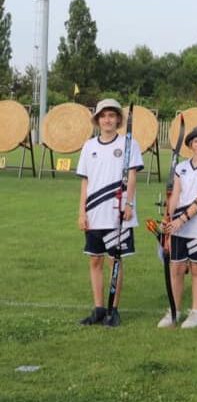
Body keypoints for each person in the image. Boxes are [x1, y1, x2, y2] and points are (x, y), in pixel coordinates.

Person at [76, 98, 144, 328]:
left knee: (115, 261)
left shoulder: (128, 144)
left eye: (112, 115)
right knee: (95, 260)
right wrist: (81, 212)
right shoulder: (89, 146)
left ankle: (113, 309)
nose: (107, 120)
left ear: (118, 119)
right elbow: (85, 181)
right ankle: (98, 308)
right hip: (94, 211)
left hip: (117, 211)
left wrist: (129, 204)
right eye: (103, 116)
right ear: (98, 120)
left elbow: (132, 176)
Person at [158, 125, 197, 329]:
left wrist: (181, 219)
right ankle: (174, 311)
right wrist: (168, 217)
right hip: (177, 226)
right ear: (191, 145)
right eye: (196, 141)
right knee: (176, 267)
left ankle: (196, 312)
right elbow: (175, 194)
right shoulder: (181, 167)